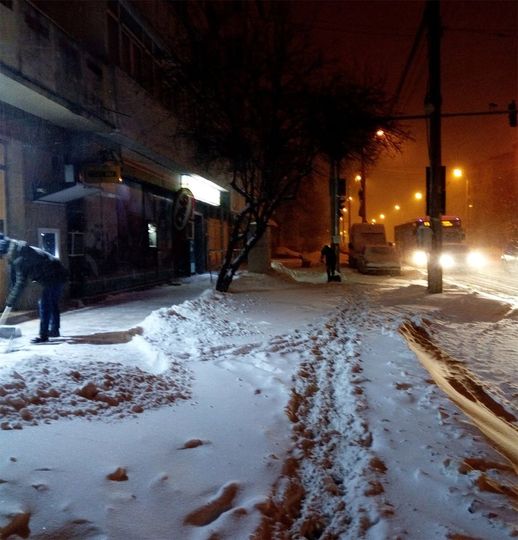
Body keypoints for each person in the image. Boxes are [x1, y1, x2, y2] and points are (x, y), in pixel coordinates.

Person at [0, 234, 68, 343]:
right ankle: (54, 330)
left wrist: (10, 302)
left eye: (2, 256)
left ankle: (43, 336)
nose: (4, 258)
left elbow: (20, 283)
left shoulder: (19, 259)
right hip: (58, 271)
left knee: (44, 304)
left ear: (6, 252)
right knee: (52, 303)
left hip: (53, 275)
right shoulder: (20, 250)